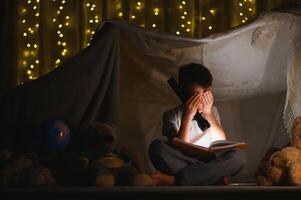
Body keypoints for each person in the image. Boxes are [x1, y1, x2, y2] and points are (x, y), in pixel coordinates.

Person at [148, 63, 246, 186]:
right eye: (196, 95)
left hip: (210, 160)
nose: (203, 99)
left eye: (206, 93)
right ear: (185, 93)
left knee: (239, 157)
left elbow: (221, 140)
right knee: (157, 148)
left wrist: (208, 114)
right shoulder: (171, 115)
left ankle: (176, 181)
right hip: (184, 159)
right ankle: (211, 177)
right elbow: (179, 146)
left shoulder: (212, 111)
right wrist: (187, 117)